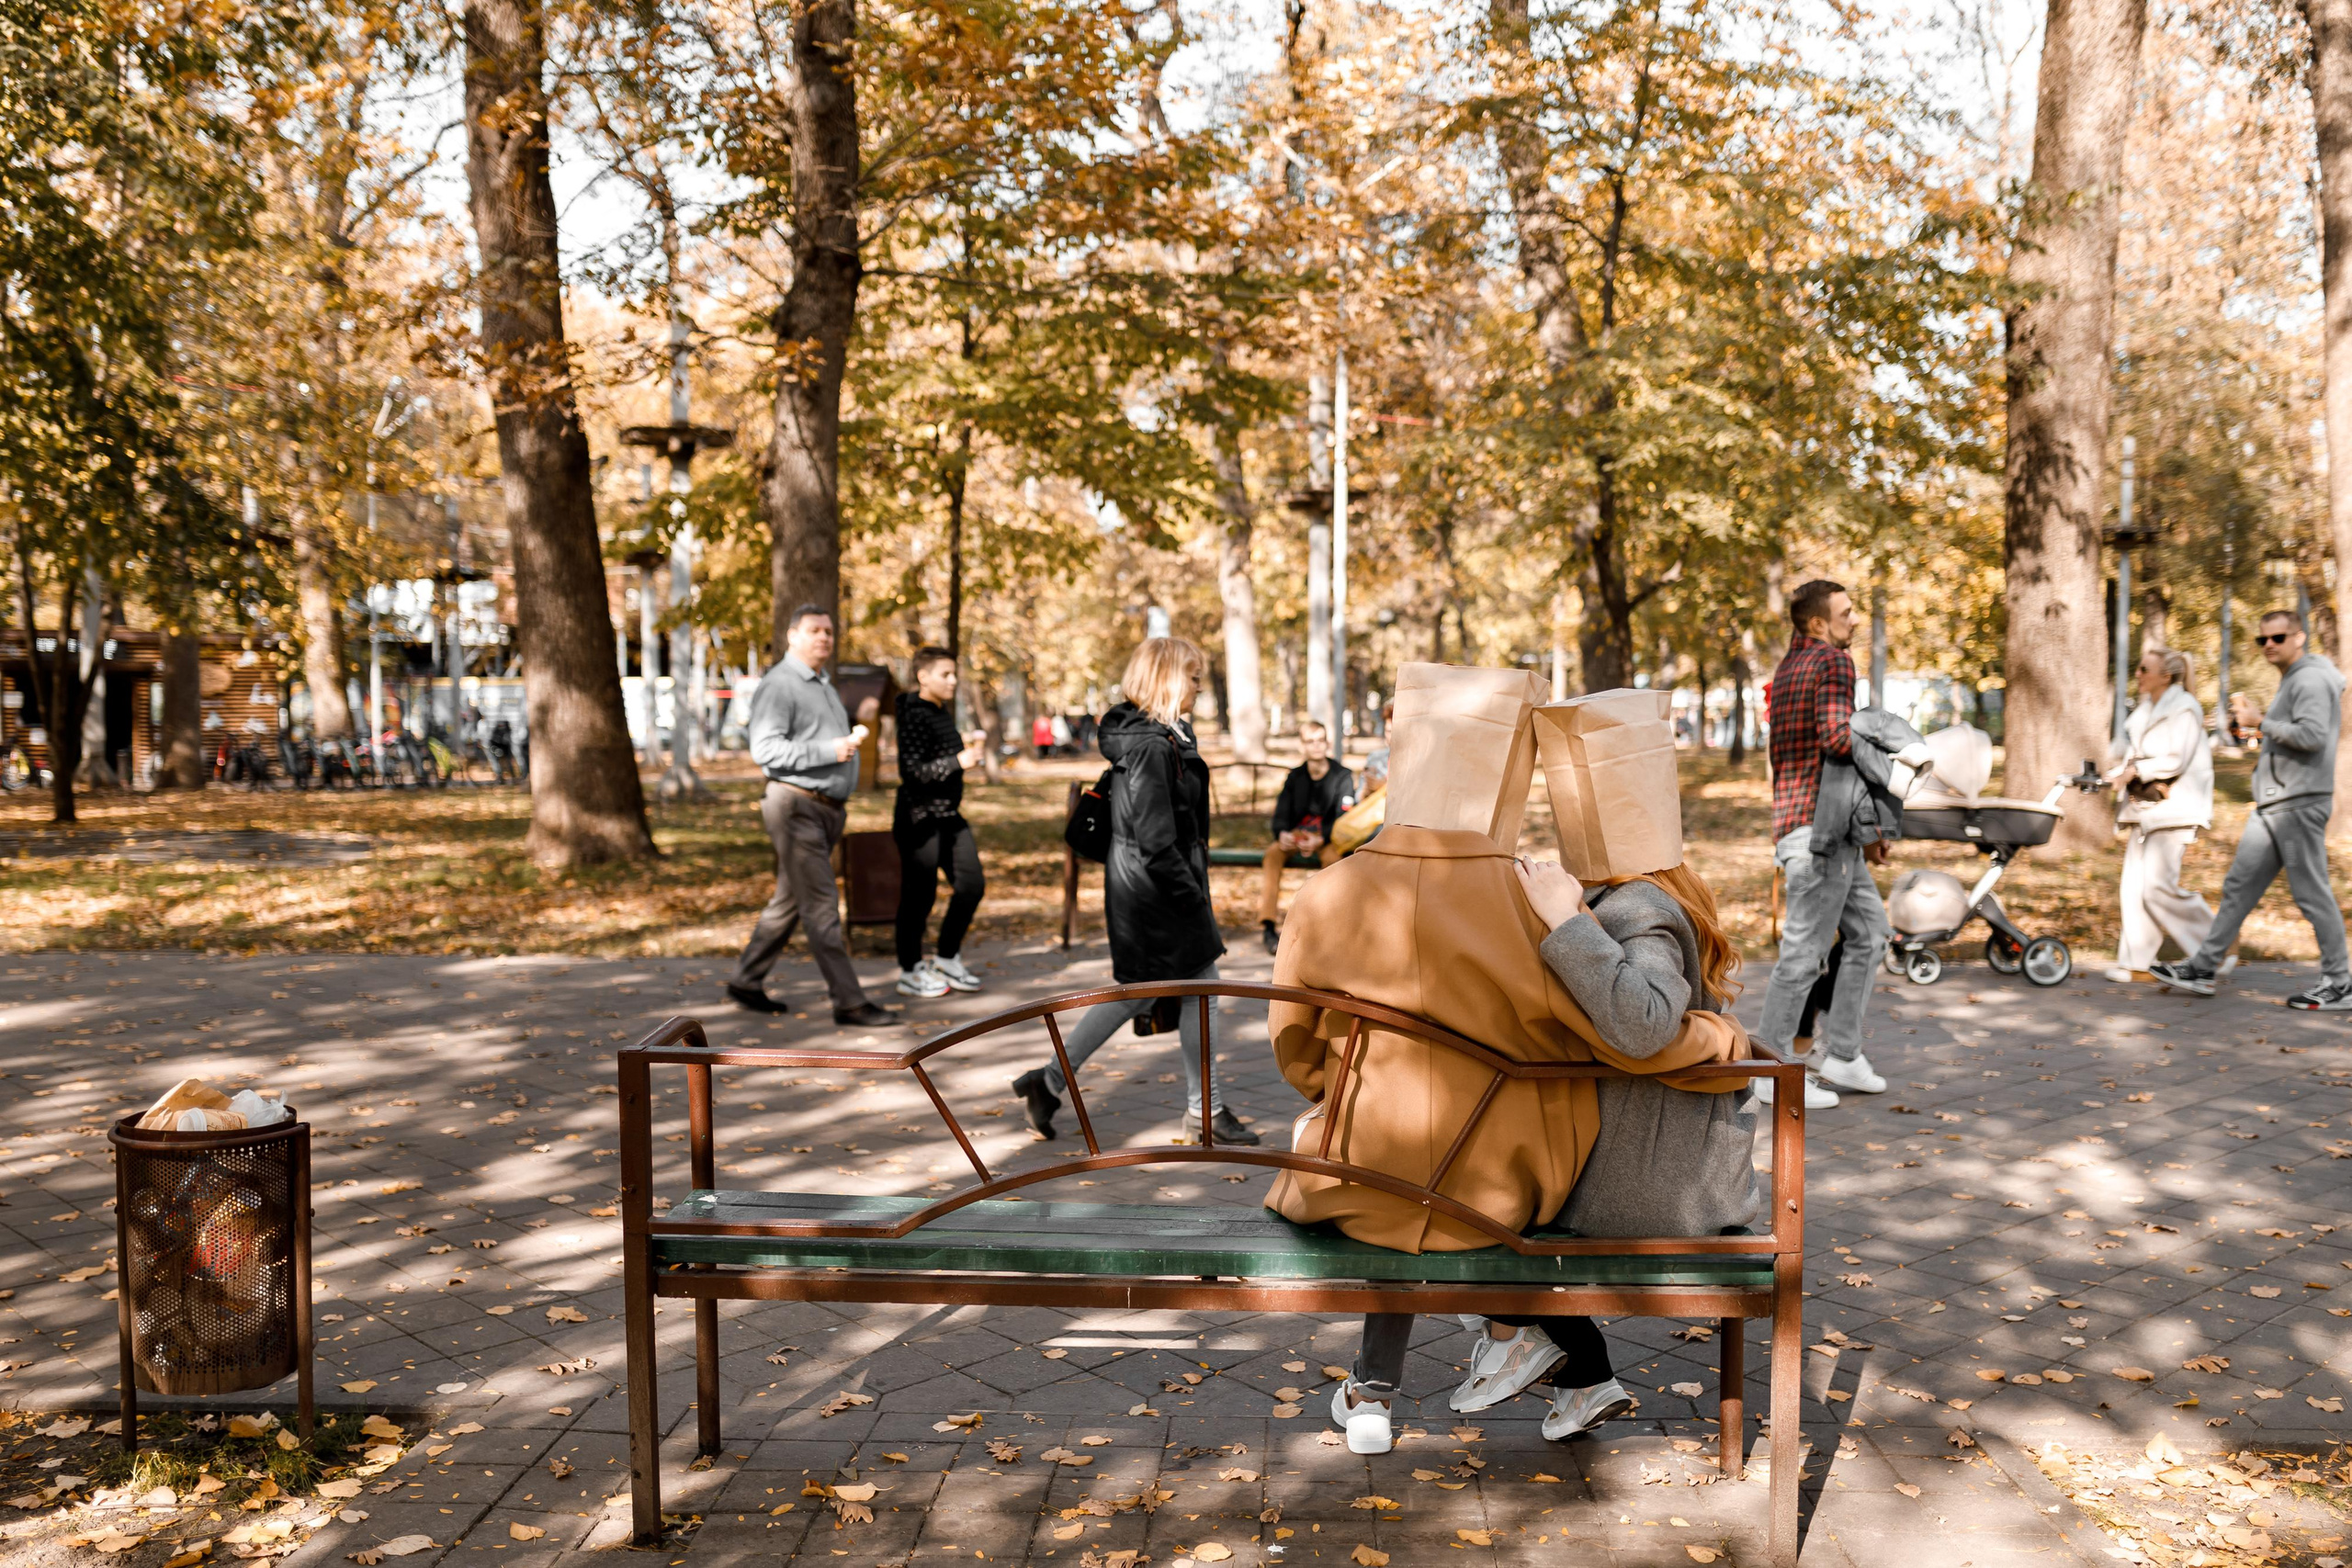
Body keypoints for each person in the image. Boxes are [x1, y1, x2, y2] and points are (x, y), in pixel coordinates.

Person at [1261, 664, 1747, 1455]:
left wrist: (1339, 1089)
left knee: (1398, 1171)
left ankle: (1378, 1387)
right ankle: (1555, 1369)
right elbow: (1595, 1034)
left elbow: (1295, 1045)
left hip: (1356, 1168)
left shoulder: (1327, 892)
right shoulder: (1530, 902)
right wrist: (1725, 1040)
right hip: (1506, 1179)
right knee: (1455, 1173)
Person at [1435, 852, 1762, 1433]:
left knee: (1450, 1205)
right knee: (1468, 1190)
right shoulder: (1644, 896)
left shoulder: (1640, 904)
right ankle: (1580, 1378)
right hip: (1667, 1170)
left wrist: (1565, 919)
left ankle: (1512, 1338)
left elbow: (1643, 1023)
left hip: (1653, 1184)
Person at [1011, 637, 1260, 1145]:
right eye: (1192, 677)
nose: (1197, 687)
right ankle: (1201, 1111)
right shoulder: (1149, 745)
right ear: (1168, 678)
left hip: (1149, 889)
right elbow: (1156, 841)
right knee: (1192, 989)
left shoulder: (1163, 735)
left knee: (1144, 992)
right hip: (1155, 894)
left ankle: (1050, 1081)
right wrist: (1193, 899)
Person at [2153, 610, 2352, 1008]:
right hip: (2274, 804)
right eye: (2263, 640)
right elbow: (2288, 736)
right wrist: (2255, 728)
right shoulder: (2294, 678)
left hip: (2297, 805)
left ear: (2300, 637)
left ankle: (2341, 982)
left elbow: (2312, 737)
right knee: (2239, 887)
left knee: (2311, 893)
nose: (2269, 646)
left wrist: (2261, 721)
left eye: (2278, 637)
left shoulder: (2311, 677)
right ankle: (2204, 967)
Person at [727, 605, 892, 1027]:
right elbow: (765, 751)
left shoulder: (823, 684)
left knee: (789, 901)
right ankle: (849, 1002)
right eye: (814, 630)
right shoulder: (780, 684)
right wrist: (829, 751)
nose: (824, 638)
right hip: (795, 806)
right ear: (792, 636)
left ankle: (746, 979)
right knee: (821, 905)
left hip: (825, 811)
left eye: (829, 632)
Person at [1756, 580, 1887, 1109]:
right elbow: (1837, 736)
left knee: (1871, 933)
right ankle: (1772, 1070)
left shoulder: (1787, 669)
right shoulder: (1833, 663)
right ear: (1817, 623)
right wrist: (1892, 749)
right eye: (1846, 613)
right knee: (1804, 955)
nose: (1854, 621)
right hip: (1821, 833)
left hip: (1808, 828)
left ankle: (1845, 1056)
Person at [2103, 647, 2215, 983]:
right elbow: (2134, 756)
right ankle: (2138, 964)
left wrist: (2133, 773)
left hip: (2177, 807)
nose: (2137, 674)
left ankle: (2216, 945)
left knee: (2157, 887)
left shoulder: (2184, 708)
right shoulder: (2146, 710)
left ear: (2165, 676)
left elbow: (2175, 760)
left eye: (2143, 669)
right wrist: (2114, 772)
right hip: (2146, 809)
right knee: (2134, 887)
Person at [891, 648, 989, 998]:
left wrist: (962, 760)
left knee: (972, 884)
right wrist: (958, 761)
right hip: (919, 818)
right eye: (945, 674)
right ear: (923, 677)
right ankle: (910, 970)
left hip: (948, 815)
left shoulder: (940, 710)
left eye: (953, 674)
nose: (952, 680)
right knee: (919, 896)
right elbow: (911, 772)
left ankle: (946, 957)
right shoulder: (914, 714)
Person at [1258, 720, 1356, 953]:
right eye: (1310, 741)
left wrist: (1322, 838)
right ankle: (1269, 926)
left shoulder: (1342, 776)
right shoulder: (1295, 777)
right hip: (1298, 836)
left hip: (1328, 839)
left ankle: (1328, 927)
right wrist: (1282, 833)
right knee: (1272, 854)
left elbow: (1345, 818)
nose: (1316, 746)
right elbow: (1281, 812)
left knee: (1334, 862)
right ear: (1303, 745)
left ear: (1327, 743)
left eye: (1320, 740)